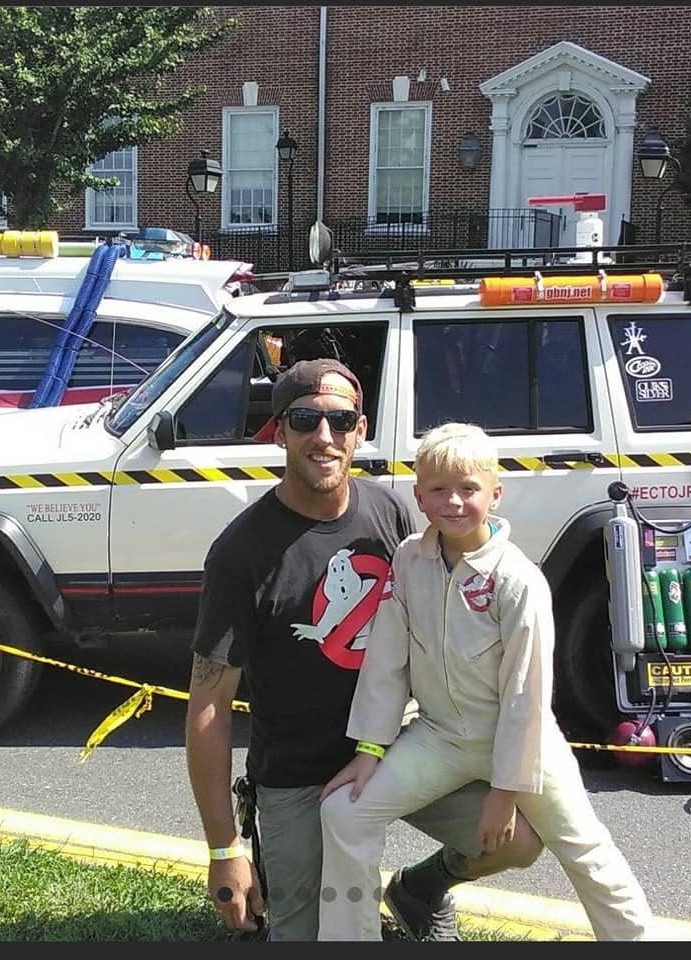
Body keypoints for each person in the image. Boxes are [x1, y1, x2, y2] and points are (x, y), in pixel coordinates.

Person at [185, 362, 543, 942]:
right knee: (303, 935)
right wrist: (224, 848)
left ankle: (420, 889)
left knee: (519, 841)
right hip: (297, 773)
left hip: (401, 751)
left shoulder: (393, 514)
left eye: (340, 420)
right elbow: (209, 701)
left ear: (360, 429)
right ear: (279, 431)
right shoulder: (240, 552)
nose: (323, 437)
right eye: (305, 420)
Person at [318, 421, 654, 941]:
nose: (454, 502)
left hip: (524, 745)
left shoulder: (517, 579)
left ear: (496, 494)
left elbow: (527, 694)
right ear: (419, 497)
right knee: (344, 812)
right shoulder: (409, 558)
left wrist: (505, 790)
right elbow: (387, 660)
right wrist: (370, 747)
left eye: (469, 489)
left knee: (586, 851)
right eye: (438, 490)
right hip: (440, 736)